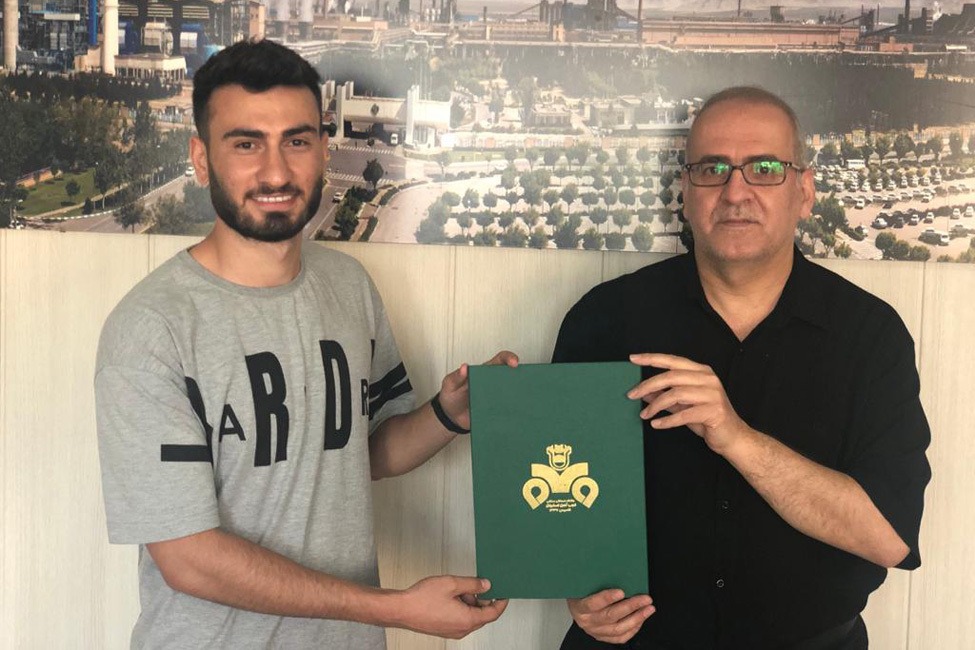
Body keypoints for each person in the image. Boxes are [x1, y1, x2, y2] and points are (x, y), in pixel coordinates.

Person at [94, 39, 514, 649]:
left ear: (322, 150)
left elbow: (357, 455)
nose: (275, 172)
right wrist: (393, 608)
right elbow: (188, 558)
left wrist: (450, 415)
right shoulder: (151, 329)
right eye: (246, 144)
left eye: (296, 141)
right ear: (201, 159)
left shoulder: (348, 285)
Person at [553, 86, 930, 650]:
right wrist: (575, 588)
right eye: (711, 169)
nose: (735, 192)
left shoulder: (870, 335)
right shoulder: (604, 318)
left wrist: (736, 438)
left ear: (805, 191)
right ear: (685, 192)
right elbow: (555, 498)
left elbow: (889, 536)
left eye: (765, 169)